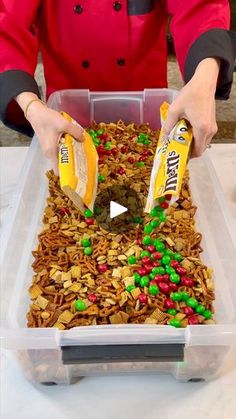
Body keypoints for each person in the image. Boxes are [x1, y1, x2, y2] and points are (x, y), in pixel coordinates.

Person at [0, 0, 235, 173]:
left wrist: (205, 75)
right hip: (68, 125)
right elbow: (6, 23)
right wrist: (29, 104)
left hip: (149, 125)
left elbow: (201, 8)